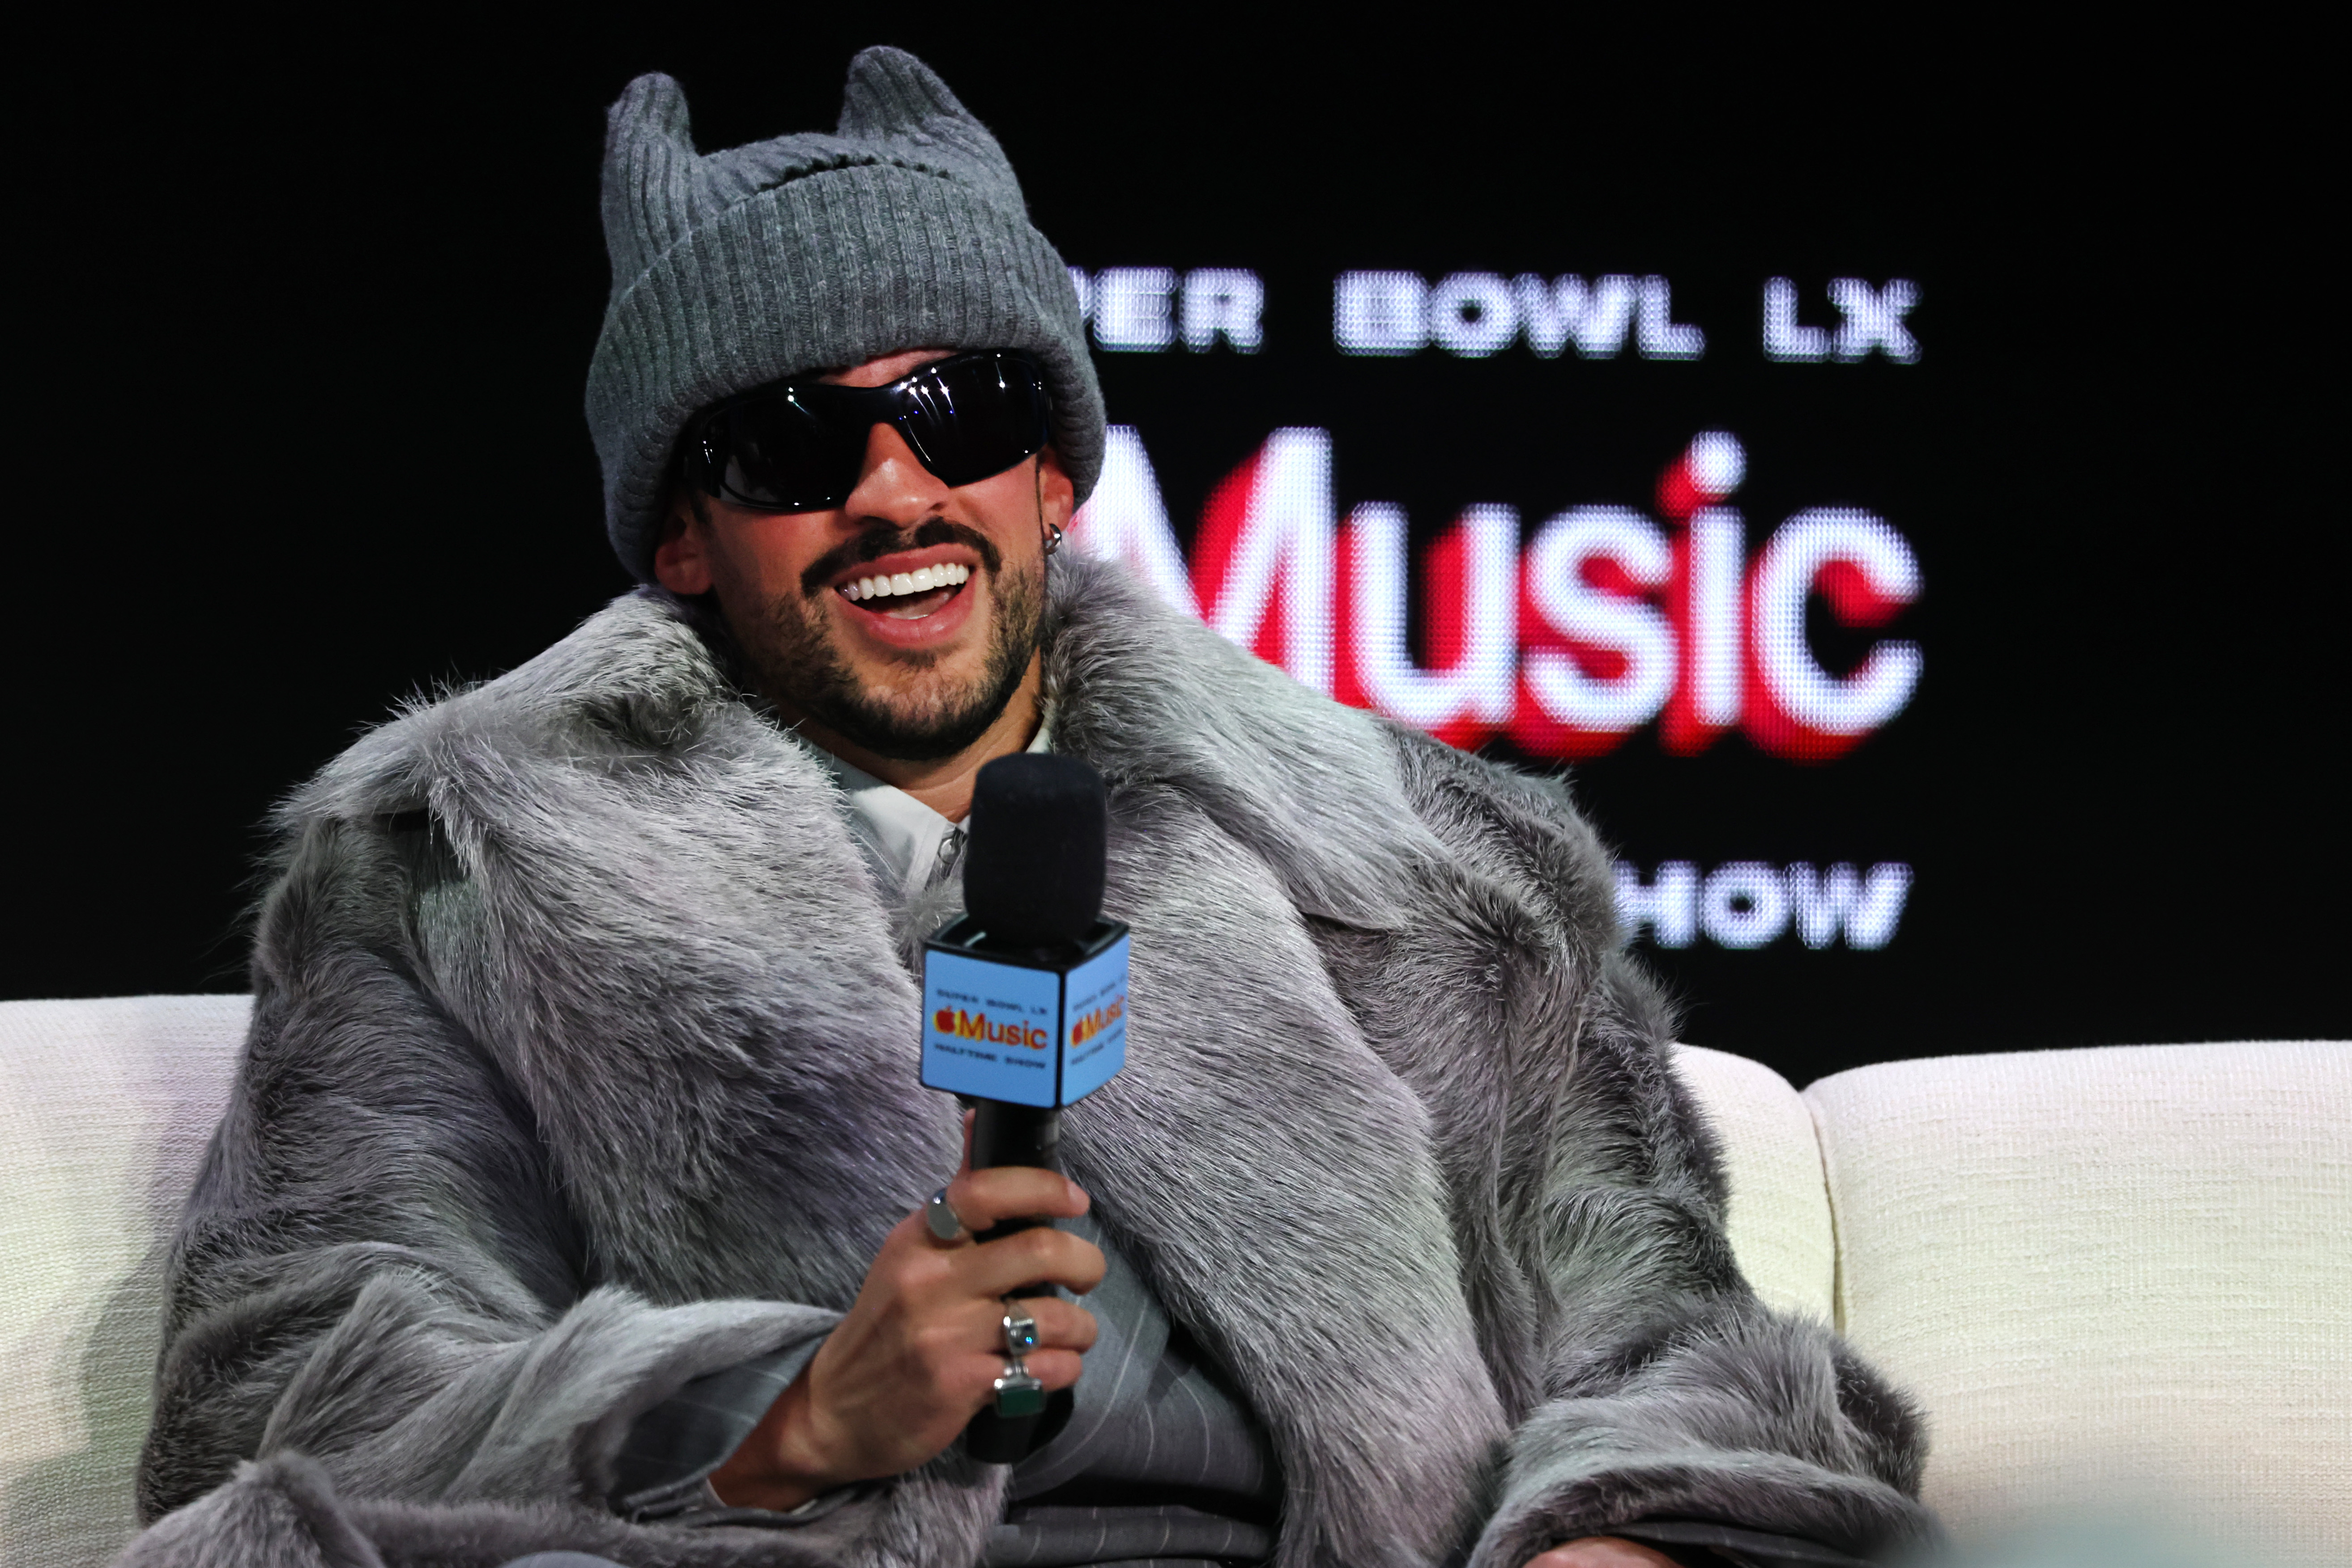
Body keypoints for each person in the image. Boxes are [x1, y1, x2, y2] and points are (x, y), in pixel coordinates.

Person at [122, 48, 1940, 1568]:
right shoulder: (461, 866)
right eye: (792, 443)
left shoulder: (1424, 864)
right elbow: (291, 1386)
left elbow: (1668, 1326)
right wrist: (790, 1414)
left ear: (1053, 470)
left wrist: (1610, 1544)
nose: (897, 489)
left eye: (961, 409)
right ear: (686, 532)